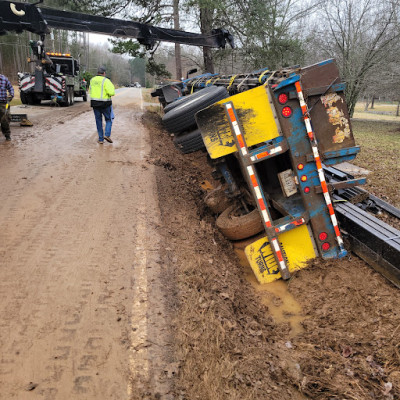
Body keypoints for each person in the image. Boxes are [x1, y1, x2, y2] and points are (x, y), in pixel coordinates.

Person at [89, 66, 115, 144]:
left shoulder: (92, 80)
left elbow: (90, 89)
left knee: (98, 121)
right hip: (105, 104)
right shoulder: (106, 80)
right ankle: (107, 135)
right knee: (108, 119)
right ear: (104, 73)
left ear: (97, 73)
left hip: (95, 104)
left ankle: (101, 139)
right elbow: (112, 92)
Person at [0, 73, 14, 141]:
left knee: (5, 119)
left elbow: (11, 88)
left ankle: (7, 135)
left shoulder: (4, 79)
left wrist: (11, 94)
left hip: (4, 103)